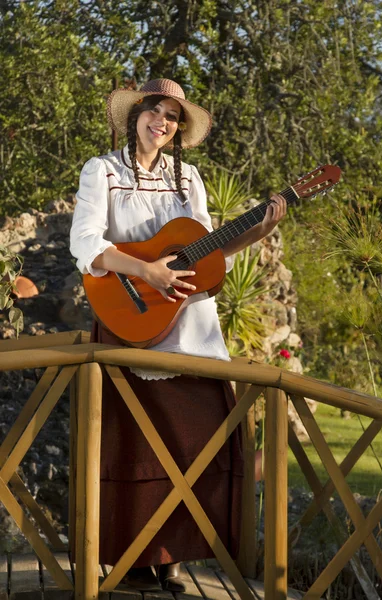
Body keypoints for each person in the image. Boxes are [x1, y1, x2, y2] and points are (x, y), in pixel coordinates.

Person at [70, 78, 286, 592]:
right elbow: (84, 242)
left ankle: (172, 561)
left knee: (203, 446)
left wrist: (259, 229)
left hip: (192, 329)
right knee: (140, 445)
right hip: (132, 318)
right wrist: (147, 273)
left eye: (172, 116)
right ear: (135, 115)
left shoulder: (189, 180)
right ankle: (130, 567)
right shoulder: (103, 171)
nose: (161, 122)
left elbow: (206, 252)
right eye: (153, 110)